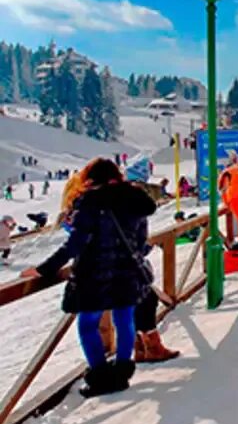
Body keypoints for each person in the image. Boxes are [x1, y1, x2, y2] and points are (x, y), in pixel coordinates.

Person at [20, 159, 155, 397]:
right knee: (124, 320)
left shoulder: (90, 202)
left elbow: (75, 244)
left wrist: (43, 269)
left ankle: (101, 376)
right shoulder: (134, 198)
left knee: (87, 324)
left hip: (95, 274)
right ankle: (121, 372)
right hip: (127, 274)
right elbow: (142, 241)